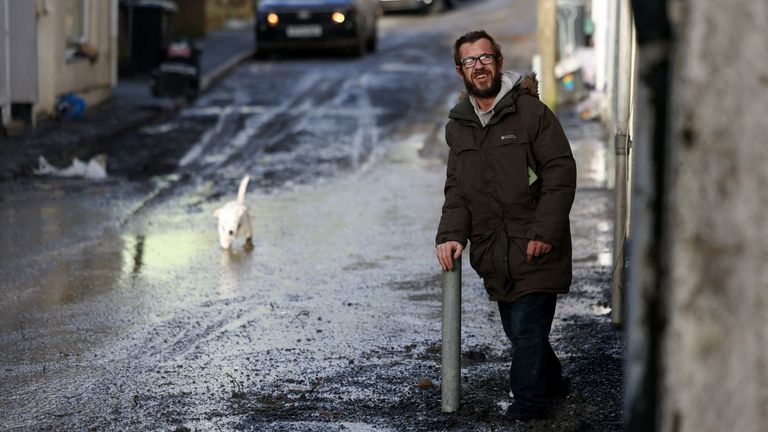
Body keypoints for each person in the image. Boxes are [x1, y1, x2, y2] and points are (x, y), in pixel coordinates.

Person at [435, 30, 577, 420]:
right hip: (493, 251)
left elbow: (560, 172)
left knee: (528, 332)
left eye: (485, 58)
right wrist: (450, 235)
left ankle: (530, 404)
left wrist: (545, 232)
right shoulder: (459, 126)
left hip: (534, 244)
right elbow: (457, 191)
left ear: (498, 62)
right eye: (469, 61)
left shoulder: (532, 114)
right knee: (519, 333)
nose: (478, 66)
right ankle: (552, 381)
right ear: (460, 71)